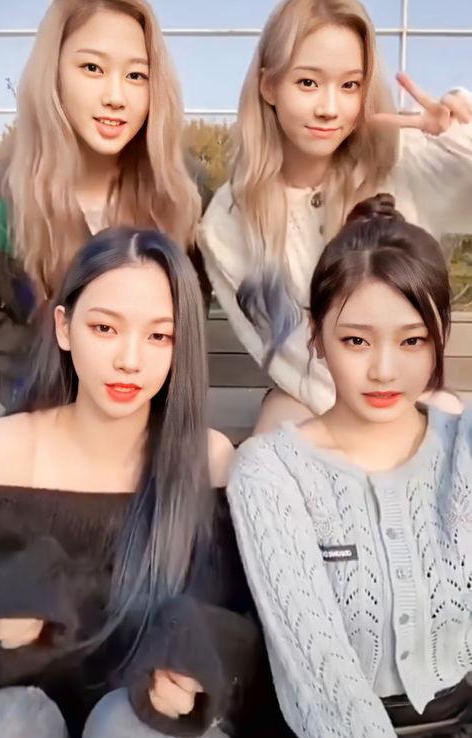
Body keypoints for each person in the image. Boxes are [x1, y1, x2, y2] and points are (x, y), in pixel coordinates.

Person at [0, 226, 258, 738]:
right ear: (64, 327)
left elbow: (237, 633)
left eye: (159, 336)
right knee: (14, 722)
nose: (130, 360)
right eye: (105, 328)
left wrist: (196, 675)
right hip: (20, 736)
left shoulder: (209, 460)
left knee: (124, 729)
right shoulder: (4, 450)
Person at [227, 195, 472, 738]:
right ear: (316, 335)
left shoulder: (463, 447)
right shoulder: (270, 473)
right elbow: (321, 678)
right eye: (356, 341)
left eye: (412, 341)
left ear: (440, 335)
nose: (384, 370)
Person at [198, 0, 472, 432]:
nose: (329, 108)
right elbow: (288, 355)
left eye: (349, 85)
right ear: (269, 86)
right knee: (281, 428)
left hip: (410, 394)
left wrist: (459, 135)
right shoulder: (228, 222)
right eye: (308, 82)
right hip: (313, 402)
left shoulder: (401, 159)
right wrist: (366, 432)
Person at [0, 0, 202, 412]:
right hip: (41, 413)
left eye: (136, 75)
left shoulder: (182, 191)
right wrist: (54, 373)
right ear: (54, 72)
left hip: (150, 420)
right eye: (92, 68)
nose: (115, 97)